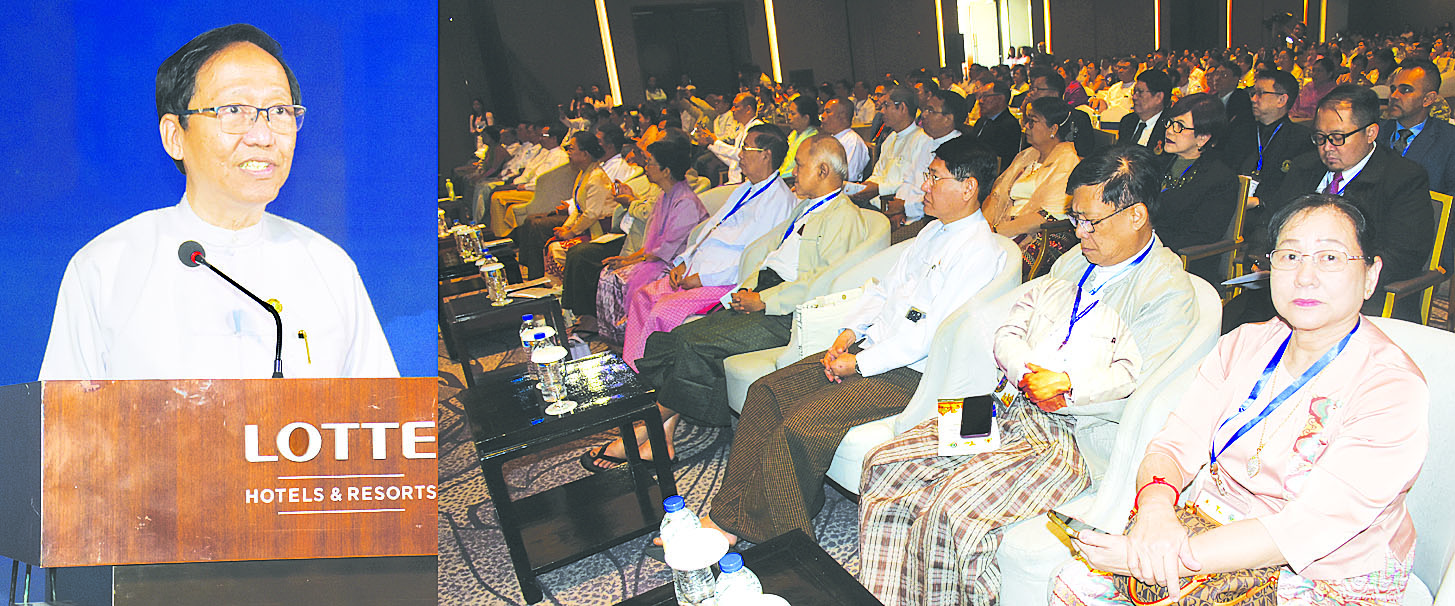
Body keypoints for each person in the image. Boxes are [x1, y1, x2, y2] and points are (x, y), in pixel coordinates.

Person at [857, 144, 1204, 606]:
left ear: (1136, 215)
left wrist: (1065, 388)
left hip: (1072, 437)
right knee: (887, 461)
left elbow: (1137, 390)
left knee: (953, 508)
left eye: (1089, 221)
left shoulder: (1166, 292)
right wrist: (1022, 368)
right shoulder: (1074, 261)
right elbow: (1015, 324)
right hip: (1007, 408)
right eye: (1074, 217)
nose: (1079, 232)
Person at [1053, 195, 1427, 606]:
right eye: (1290, 256)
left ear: (1371, 276)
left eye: (1330, 258)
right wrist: (1155, 511)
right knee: (1074, 582)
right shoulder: (1245, 344)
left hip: (1324, 570)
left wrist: (1165, 557)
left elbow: (1308, 527)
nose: (1305, 277)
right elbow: (1174, 445)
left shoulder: (1391, 388)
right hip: (1212, 524)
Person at [688, 137, 1008, 547]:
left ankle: (776, 539)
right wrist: (849, 333)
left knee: (801, 423)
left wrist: (859, 363)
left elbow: (928, 335)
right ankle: (728, 515)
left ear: (968, 188)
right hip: (871, 350)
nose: (924, 186)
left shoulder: (979, 251)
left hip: (910, 373)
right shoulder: (932, 232)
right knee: (766, 391)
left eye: (934, 177)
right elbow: (882, 290)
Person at [40, 24, 397, 380]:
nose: (262, 136)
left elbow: (384, 410)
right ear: (174, 136)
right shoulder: (106, 268)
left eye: (279, 111)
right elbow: (60, 413)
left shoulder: (329, 268)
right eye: (233, 110)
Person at [584, 134, 878, 469]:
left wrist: (764, 300)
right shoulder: (807, 207)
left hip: (785, 312)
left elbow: (820, 285)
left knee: (692, 345)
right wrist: (749, 291)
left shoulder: (843, 217)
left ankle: (646, 424)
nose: (794, 172)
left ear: (823, 170)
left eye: (799, 165)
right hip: (763, 292)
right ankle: (661, 439)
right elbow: (767, 255)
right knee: (676, 338)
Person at [620, 124, 797, 367]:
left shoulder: (779, 201)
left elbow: (754, 260)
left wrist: (703, 279)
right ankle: (633, 367)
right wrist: (684, 262)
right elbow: (709, 230)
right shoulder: (746, 188)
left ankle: (651, 374)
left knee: (662, 311)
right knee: (642, 296)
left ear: (765, 155)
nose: (740, 155)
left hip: (723, 282)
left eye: (745, 148)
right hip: (697, 271)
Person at [1263, 85, 1432, 322]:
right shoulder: (1304, 167)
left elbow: (1404, 255)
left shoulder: (1403, 178)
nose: (1327, 148)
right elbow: (1270, 222)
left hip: (1364, 299)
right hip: (1292, 286)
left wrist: (1334, 275)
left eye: (1338, 138)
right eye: (1320, 138)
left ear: (1370, 133)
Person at [592, 135, 708, 343]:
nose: (646, 168)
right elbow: (652, 244)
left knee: (614, 279)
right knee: (609, 273)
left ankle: (627, 339)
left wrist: (629, 261)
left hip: (678, 265)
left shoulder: (685, 202)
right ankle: (616, 338)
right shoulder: (664, 195)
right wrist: (628, 259)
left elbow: (665, 250)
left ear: (666, 171)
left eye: (650, 163)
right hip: (660, 258)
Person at [984, 96, 1081, 278]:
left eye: (1033, 121)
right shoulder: (1028, 155)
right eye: (1026, 121)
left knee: (985, 265)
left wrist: (997, 231)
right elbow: (998, 195)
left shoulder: (1067, 162)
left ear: (1053, 129)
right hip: (1005, 226)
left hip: (1035, 235)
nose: (1026, 127)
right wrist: (986, 226)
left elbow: (1048, 215)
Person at [1152, 93, 1240, 286]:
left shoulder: (1220, 179)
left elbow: (1201, 235)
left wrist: (1147, 243)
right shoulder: (1159, 164)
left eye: (1180, 126)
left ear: (1202, 138)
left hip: (1184, 266)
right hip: (1146, 253)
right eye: (1170, 123)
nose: (1169, 131)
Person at [847, 85, 933, 228]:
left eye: (886, 106)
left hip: (892, 207)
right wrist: (865, 187)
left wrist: (879, 189)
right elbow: (878, 173)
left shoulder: (923, 140)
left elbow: (914, 183)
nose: (882, 111)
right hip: (873, 202)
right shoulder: (890, 138)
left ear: (902, 108)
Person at [891, 88, 967, 242]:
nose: (924, 115)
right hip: (907, 212)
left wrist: (905, 207)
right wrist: (898, 208)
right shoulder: (927, 141)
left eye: (931, 111)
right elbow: (909, 179)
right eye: (925, 109)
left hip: (932, 219)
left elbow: (943, 199)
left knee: (888, 242)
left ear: (948, 119)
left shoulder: (959, 151)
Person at [1382, 59, 1455, 197]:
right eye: (1393, 89)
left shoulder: (1450, 140)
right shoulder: (1373, 132)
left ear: (1428, 99)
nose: (1394, 96)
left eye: (1405, 90)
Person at [695, 92, 763, 185]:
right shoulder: (742, 129)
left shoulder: (757, 129)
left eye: (736, 106)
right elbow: (733, 162)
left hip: (744, 183)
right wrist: (710, 145)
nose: (732, 110)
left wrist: (715, 142)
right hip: (734, 181)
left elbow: (741, 155)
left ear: (748, 109)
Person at [968, 80, 1022, 172]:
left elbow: (1001, 161)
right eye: (980, 97)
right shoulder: (982, 121)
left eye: (985, 96)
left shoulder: (1009, 126)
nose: (980, 101)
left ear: (1000, 99)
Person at [1118, 68, 1173, 151]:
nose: (1134, 97)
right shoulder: (1127, 121)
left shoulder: (1169, 128)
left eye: (1140, 92)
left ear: (1159, 97)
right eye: (1134, 92)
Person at [821, 97, 871, 182]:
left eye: (828, 112)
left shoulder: (853, 142)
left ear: (842, 116)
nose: (822, 116)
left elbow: (849, 177)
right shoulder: (830, 139)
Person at [779, 95, 820, 178]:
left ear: (805, 118)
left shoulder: (812, 139)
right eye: (789, 113)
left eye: (793, 114)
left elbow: (801, 170)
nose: (789, 117)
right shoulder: (794, 134)